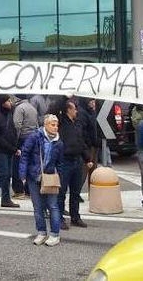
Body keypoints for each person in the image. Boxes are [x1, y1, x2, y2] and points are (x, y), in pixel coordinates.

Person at [20, 114, 64, 247]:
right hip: (34, 176)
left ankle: (55, 234)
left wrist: (60, 178)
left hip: (50, 177)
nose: (55, 127)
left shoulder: (59, 143)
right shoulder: (35, 137)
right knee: (38, 207)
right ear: (45, 125)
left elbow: (60, 163)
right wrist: (22, 174)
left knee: (53, 206)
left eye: (56, 125)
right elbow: (25, 154)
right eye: (52, 124)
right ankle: (41, 232)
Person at [56, 100, 93, 229]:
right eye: (74, 109)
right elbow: (56, 107)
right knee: (61, 192)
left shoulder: (77, 123)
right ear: (68, 110)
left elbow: (81, 141)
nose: (76, 111)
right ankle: (59, 218)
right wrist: (64, 97)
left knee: (75, 192)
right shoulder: (61, 121)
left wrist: (87, 158)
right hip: (65, 161)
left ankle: (75, 217)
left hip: (77, 160)